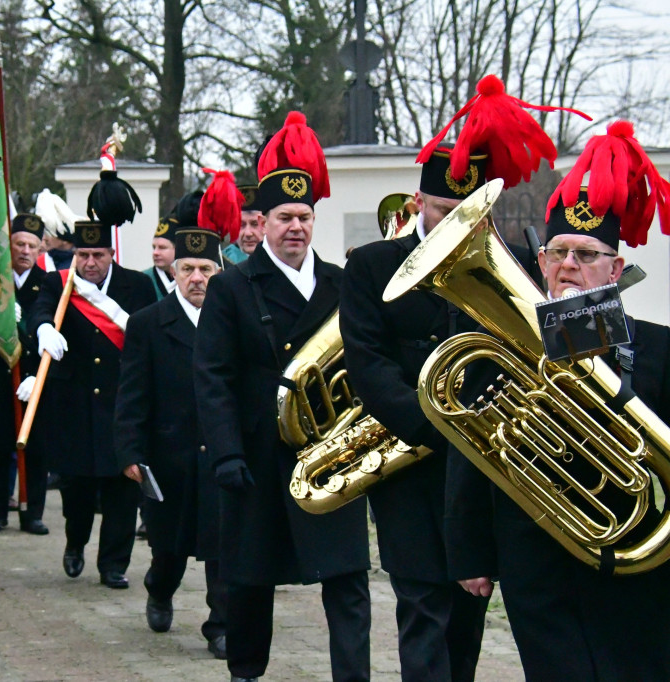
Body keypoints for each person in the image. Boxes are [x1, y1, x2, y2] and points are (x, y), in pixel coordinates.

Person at [339, 75, 570, 681]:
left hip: (484, 469)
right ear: (418, 202)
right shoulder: (371, 266)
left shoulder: (507, 261)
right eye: (446, 213)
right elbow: (368, 363)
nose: (457, 227)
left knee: (469, 615)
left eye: (471, 216)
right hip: (413, 462)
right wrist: (438, 426)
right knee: (422, 609)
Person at [445, 121, 670, 682]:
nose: (569, 264)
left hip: (638, 556)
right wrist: (471, 552)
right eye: (559, 252)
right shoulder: (498, 348)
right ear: (541, 262)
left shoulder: (662, 347)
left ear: (615, 270)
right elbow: (471, 453)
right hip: (535, 550)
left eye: (586, 254)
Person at [194, 112, 370, 682]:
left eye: (304, 217)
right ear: (262, 223)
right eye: (284, 218)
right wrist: (226, 453)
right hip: (257, 454)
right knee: (250, 579)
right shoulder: (230, 287)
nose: (296, 227)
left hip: (330, 454)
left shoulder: (340, 283)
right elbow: (213, 376)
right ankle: (246, 671)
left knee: (347, 578)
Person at [26, 161, 156, 589]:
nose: (90, 263)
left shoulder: (137, 286)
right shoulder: (59, 284)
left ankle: (113, 564)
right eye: (83, 256)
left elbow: (148, 336)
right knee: (77, 493)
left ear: (111, 254)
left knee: (122, 491)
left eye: (98, 256)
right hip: (74, 405)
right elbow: (39, 312)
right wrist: (43, 329)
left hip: (121, 405)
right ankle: (75, 543)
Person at [115, 225, 228, 658]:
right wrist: (130, 451)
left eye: (205, 269)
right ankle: (159, 591)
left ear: (219, 272)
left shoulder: (234, 317)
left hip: (221, 453)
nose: (196, 278)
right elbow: (132, 394)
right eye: (187, 269)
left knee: (223, 545)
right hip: (169, 456)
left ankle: (221, 625)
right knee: (170, 549)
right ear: (174, 272)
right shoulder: (148, 322)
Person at [0, 212, 50, 535]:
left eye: (32, 246)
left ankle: (32, 512)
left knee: (35, 450)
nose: (25, 251)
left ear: (40, 248)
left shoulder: (48, 284)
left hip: (34, 379)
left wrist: (37, 376)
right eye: (19, 244)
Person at [221, 185, 263, 264]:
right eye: (241, 225)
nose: (248, 233)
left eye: (255, 224)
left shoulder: (284, 259)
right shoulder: (223, 262)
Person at [143, 212, 180, 299]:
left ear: (178, 249)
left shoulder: (189, 279)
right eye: (154, 247)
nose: (155, 252)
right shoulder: (143, 279)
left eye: (162, 247)